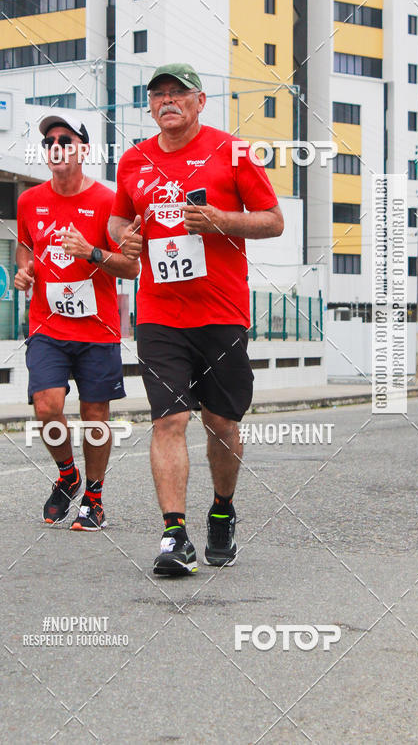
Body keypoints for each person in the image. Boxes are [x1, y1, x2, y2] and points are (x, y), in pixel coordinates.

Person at [109, 63, 284, 575]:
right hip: (160, 315)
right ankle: (173, 536)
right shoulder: (133, 160)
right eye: (158, 94)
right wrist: (126, 237)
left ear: (200, 101)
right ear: (150, 106)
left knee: (221, 422)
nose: (168, 100)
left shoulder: (232, 151)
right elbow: (120, 218)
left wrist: (221, 221)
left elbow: (273, 220)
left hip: (221, 313)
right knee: (168, 420)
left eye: (178, 93)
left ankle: (223, 511)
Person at [15, 113, 139, 529]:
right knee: (46, 407)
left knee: (95, 415)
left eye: (64, 139)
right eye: (48, 140)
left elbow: (130, 268)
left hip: (96, 329)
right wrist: (25, 269)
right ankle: (68, 475)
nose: (55, 146)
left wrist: (91, 252)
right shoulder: (29, 201)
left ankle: (95, 495)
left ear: (83, 149)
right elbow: (25, 248)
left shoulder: (107, 201)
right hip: (46, 326)